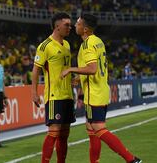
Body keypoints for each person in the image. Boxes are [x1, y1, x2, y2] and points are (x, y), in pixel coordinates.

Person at [61, 13, 141, 163]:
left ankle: (131, 159)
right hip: (101, 90)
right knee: (91, 129)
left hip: (94, 94)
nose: (74, 26)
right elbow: (95, 68)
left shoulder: (87, 44)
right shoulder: (98, 41)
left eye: (77, 23)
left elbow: (92, 69)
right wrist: (80, 77)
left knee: (98, 129)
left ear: (85, 29)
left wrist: (71, 70)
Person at [31, 12, 75, 163]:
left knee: (64, 134)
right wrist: (34, 92)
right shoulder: (45, 46)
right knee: (54, 132)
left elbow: (65, 68)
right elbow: (36, 70)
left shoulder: (67, 44)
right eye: (67, 25)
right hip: (54, 95)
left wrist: (72, 79)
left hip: (68, 95)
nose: (70, 27)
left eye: (70, 24)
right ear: (57, 26)